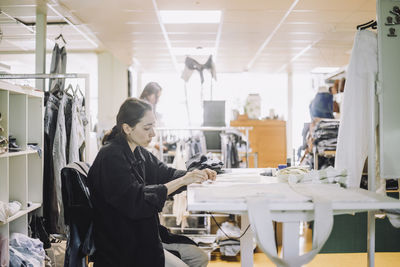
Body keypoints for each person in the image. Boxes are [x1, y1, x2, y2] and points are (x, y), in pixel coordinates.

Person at [87, 98, 215, 267]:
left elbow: (165, 174)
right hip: (123, 245)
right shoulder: (111, 157)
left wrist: (195, 175)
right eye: (147, 128)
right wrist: (184, 180)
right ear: (127, 128)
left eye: (153, 126)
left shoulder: (138, 152)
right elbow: (137, 200)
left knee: (200, 257)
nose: (153, 133)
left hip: (142, 235)